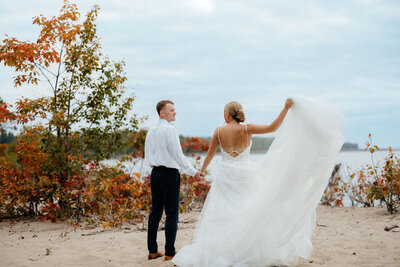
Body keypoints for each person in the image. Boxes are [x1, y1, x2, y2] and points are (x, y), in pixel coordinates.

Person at [172, 97, 344, 267]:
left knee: (223, 214)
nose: (223, 116)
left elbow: (209, 154)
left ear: (228, 115)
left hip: (226, 177)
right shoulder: (248, 129)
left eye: (224, 113)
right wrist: (285, 109)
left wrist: (201, 171)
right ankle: (244, 249)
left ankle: (224, 250)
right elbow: (273, 127)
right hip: (245, 175)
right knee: (247, 210)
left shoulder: (218, 131)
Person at [143, 100, 205, 261]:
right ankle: (170, 253)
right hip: (169, 174)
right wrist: (193, 172)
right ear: (162, 113)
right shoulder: (169, 130)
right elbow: (178, 156)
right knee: (172, 214)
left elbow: (148, 156)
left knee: (155, 212)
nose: (175, 112)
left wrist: (153, 172)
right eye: (171, 110)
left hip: (155, 173)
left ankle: (152, 250)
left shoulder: (151, 131)